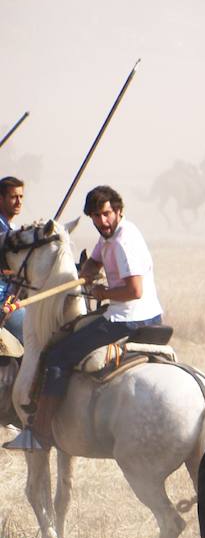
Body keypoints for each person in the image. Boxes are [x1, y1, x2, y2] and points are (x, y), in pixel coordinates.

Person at [5, 186, 163, 452]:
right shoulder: (110, 236)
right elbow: (95, 262)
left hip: (127, 318)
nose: (102, 221)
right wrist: (86, 274)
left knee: (56, 356)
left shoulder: (124, 243)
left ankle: (40, 433)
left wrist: (102, 291)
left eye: (106, 214)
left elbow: (134, 291)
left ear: (118, 211)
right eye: (95, 217)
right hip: (149, 315)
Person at [0, 176, 28, 342]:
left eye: (21, 197)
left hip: (11, 298)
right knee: (36, 336)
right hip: (3, 302)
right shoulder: (4, 233)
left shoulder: (12, 229)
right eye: (13, 197)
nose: (18, 202)